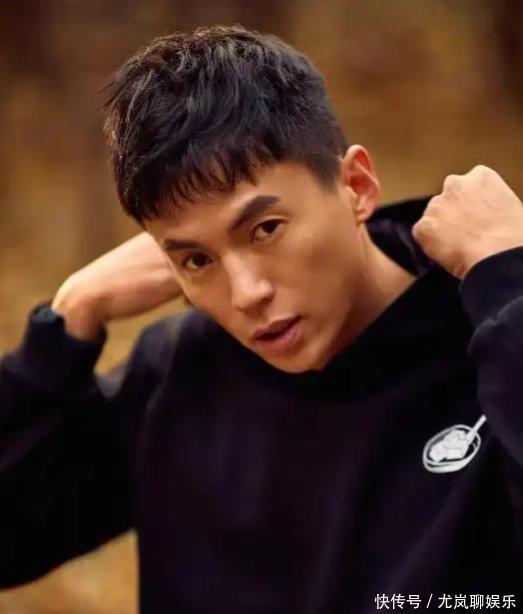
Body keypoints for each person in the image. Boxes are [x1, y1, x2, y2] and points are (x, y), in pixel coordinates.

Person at [1, 24, 522, 614]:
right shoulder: (183, 374)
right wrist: (67, 321)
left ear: (357, 185)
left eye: (265, 229)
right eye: (197, 259)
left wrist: (510, 282)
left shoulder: (489, 347)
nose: (246, 293)